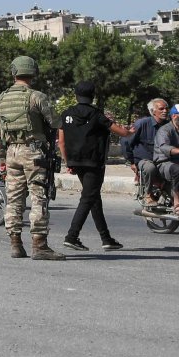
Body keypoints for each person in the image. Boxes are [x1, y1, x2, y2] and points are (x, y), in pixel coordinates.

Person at [0, 56, 63, 260]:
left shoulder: (1, 98)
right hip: (33, 153)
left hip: (11, 153)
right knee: (39, 196)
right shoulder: (37, 97)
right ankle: (39, 245)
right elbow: (55, 122)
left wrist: (1, 157)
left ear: (14, 72)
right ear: (33, 72)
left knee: (14, 199)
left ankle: (15, 244)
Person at [59, 81, 129, 252]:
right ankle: (72, 236)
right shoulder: (96, 114)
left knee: (94, 198)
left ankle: (106, 239)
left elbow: (61, 141)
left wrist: (67, 161)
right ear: (93, 96)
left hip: (75, 161)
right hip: (93, 163)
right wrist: (131, 131)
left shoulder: (66, 114)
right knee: (88, 198)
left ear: (76, 95)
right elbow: (121, 132)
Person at [126, 98, 170, 201]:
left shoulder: (168, 126)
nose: (165, 111)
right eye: (161, 109)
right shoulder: (142, 123)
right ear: (153, 111)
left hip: (162, 160)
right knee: (150, 168)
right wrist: (132, 162)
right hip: (145, 159)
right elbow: (126, 141)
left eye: (166, 108)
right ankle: (148, 194)